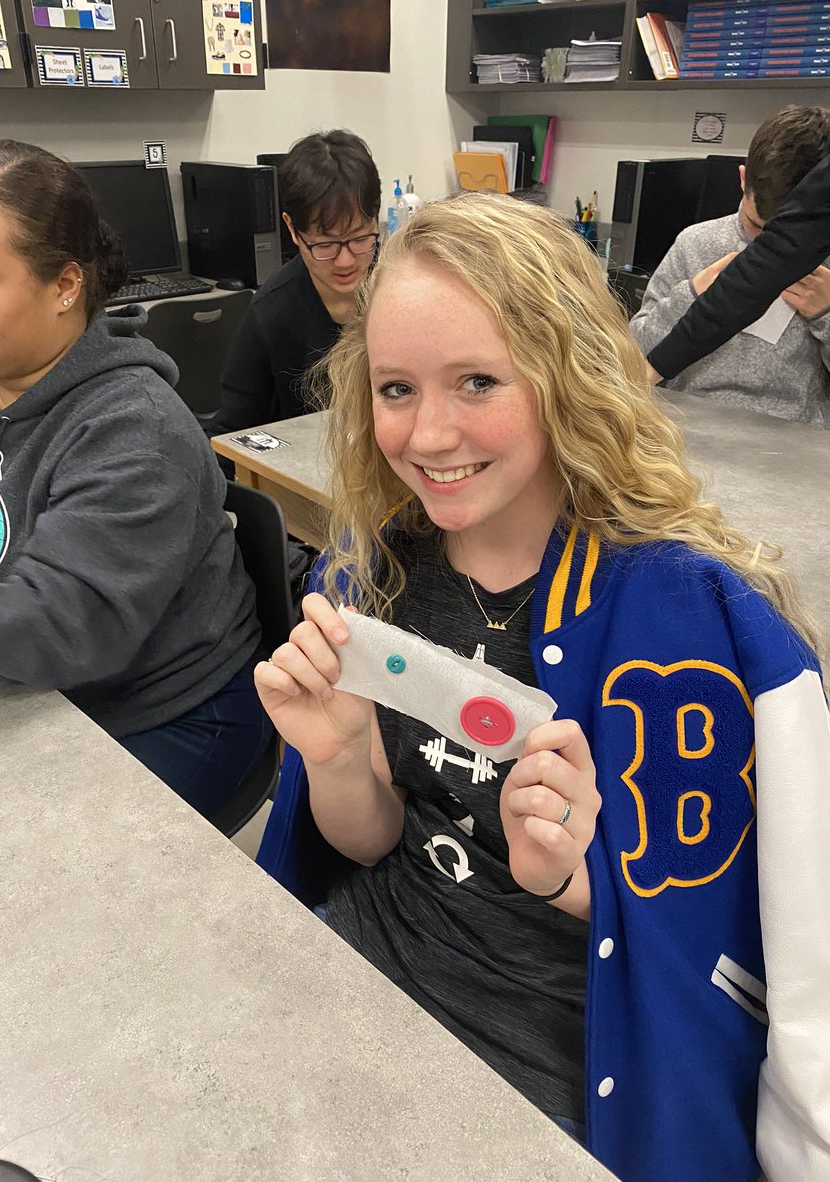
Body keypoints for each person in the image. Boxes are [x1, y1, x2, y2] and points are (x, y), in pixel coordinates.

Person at [253, 192, 830, 1182]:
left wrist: (569, 876)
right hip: (370, 959)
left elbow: (742, 958)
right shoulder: (375, 577)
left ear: (566, 377)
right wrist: (338, 755)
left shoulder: (698, 630)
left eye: (476, 381)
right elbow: (369, 840)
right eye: (395, 389)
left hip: (563, 1039)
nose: (429, 435)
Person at [0, 140, 271, 818]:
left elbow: (66, 623)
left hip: (160, 712)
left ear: (65, 285)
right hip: (31, 682)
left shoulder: (135, 431)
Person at [631, 106, 830, 425]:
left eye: (788, 241)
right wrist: (691, 294)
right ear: (742, 179)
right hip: (683, 422)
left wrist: (826, 315)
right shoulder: (695, 243)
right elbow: (635, 352)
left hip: (792, 440)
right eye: (755, 225)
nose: (766, 250)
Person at [205, 129, 381, 437]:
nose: (346, 261)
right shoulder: (271, 313)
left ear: (376, 218)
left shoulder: (401, 286)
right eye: (325, 244)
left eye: (359, 238)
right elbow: (232, 433)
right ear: (292, 229)